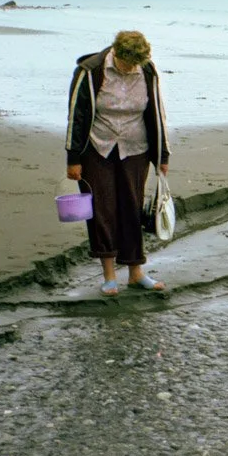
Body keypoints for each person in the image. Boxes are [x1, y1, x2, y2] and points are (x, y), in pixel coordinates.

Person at [65, 30, 171, 297]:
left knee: (132, 209)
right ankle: (109, 276)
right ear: (117, 53)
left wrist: (162, 155)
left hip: (135, 150)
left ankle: (136, 274)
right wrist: (73, 157)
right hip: (97, 148)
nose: (131, 68)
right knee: (102, 210)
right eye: (127, 63)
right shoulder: (90, 71)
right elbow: (76, 115)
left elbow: (157, 112)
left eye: (136, 63)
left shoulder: (146, 71)